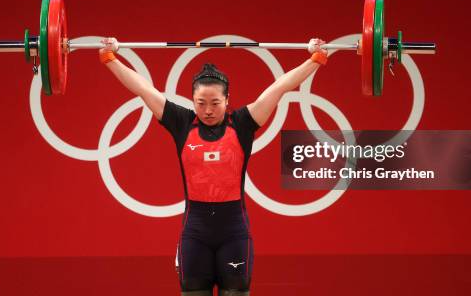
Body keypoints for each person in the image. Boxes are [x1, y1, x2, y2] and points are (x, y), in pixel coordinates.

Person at [98, 38, 329, 296]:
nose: (207, 110)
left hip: (234, 233)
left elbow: (280, 87)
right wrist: (111, 59)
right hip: (195, 235)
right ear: (192, 100)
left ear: (227, 99)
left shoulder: (242, 123)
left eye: (215, 103)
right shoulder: (182, 122)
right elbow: (144, 89)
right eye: (200, 103)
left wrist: (315, 59)